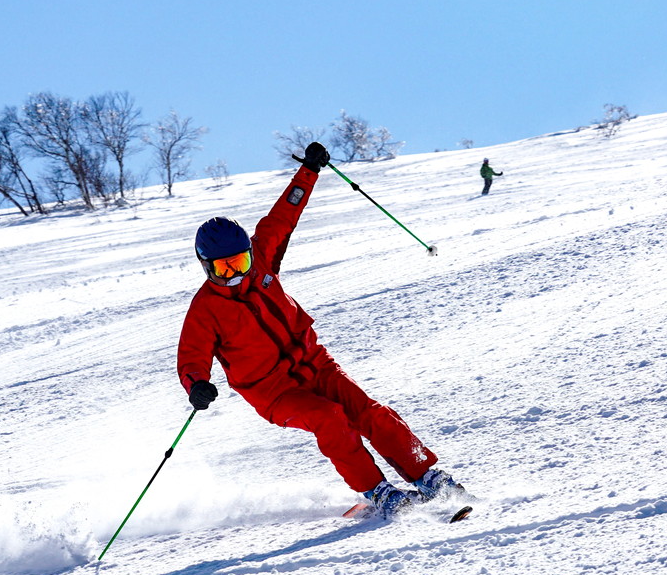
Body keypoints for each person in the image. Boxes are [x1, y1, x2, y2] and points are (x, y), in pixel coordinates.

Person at [176, 142, 465, 518]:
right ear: (206, 267)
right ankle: (376, 491)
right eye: (223, 269)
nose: (236, 274)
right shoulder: (205, 309)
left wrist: (309, 170)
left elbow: (283, 216)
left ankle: (425, 475)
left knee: (370, 412)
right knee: (330, 418)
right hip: (273, 391)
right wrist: (196, 383)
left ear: (250, 252)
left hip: (314, 363)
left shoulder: (262, 260)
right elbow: (191, 356)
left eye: (240, 262)